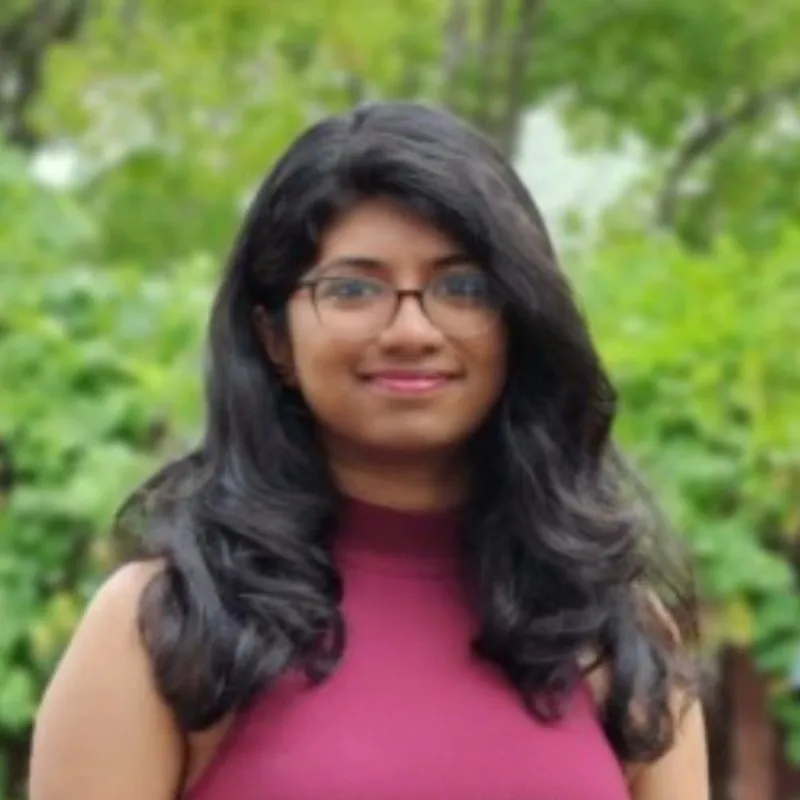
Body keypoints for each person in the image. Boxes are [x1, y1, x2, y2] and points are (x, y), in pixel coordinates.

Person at [29, 101, 709, 799]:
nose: (412, 328)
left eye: (463, 287)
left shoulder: (615, 630)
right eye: (353, 288)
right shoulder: (168, 627)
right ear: (273, 337)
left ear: (519, 322)